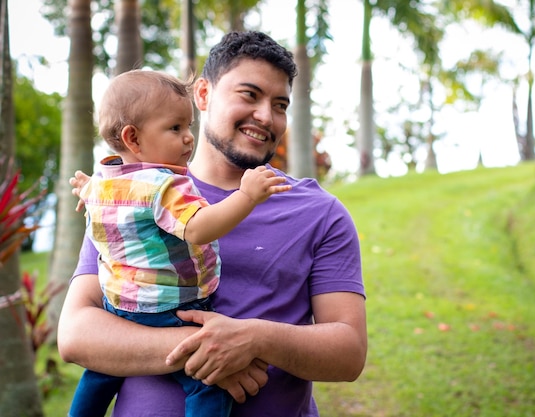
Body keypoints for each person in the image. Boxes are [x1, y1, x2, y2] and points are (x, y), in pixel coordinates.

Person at [58, 31, 367, 417]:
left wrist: (255, 338)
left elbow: (349, 353)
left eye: (280, 104)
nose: (266, 116)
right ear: (202, 95)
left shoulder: (319, 212)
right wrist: (205, 350)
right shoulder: (130, 193)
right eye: (249, 95)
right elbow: (76, 335)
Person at [67, 69, 291, 417]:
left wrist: (84, 186)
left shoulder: (103, 182)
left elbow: (89, 190)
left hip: (121, 307)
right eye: (175, 128)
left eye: (188, 126)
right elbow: (200, 228)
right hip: (167, 308)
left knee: (101, 372)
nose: (189, 138)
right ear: (133, 138)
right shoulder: (166, 186)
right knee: (209, 382)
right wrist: (246, 196)